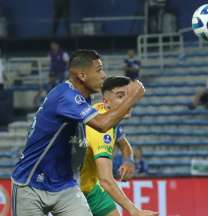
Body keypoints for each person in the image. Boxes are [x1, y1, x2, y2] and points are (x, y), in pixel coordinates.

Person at [11, 49, 147, 216]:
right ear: (82, 76)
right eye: (99, 70)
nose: (104, 75)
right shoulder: (67, 96)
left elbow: (119, 136)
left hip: (65, 185)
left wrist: (128, 159)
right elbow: (103, 125)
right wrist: (132, 97)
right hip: (31, 184)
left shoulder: (85, 101)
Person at [80, 76, 156, 216]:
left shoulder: (104, 115)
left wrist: (128, 161)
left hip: (91, 187)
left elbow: (124, 145)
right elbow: (107, 181)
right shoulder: (102, 131)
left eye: (129, 96)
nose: (128, 102)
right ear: (106, 101)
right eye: (121, 96)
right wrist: (135, 211)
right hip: (72, 191)